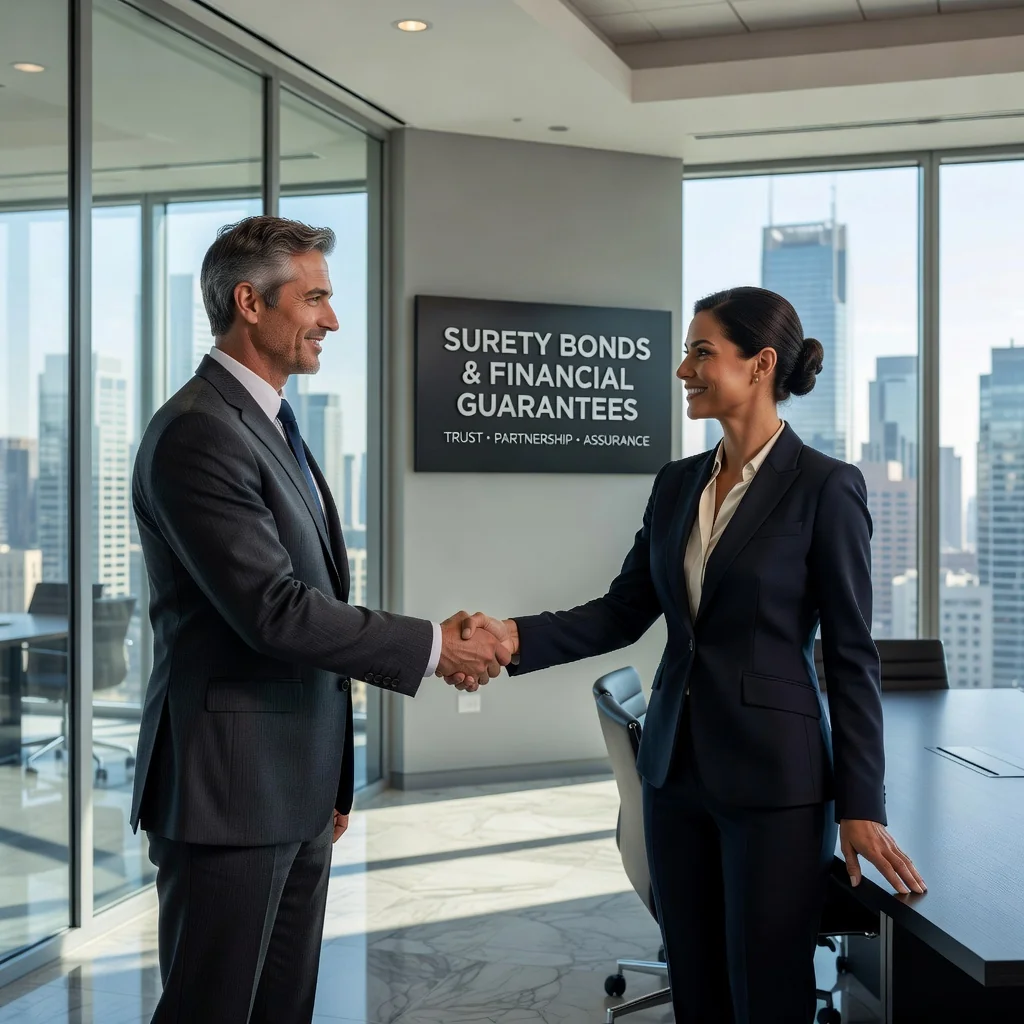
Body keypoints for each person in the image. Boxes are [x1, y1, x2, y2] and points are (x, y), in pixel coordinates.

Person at [451, 286, 926, 1023]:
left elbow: (853, 655)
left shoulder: (827, 488)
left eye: (702, 351)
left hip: (776, 783)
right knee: (698, 989)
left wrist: (862, 804)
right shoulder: (677, 484)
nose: (683, 369)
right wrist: (511, 638)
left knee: (767, 993)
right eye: (687, 352)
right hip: (674, 776)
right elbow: (624, 609)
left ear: (760, 364)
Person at [130, 215, 506, 1024]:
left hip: (289, 787)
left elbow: (310, 599)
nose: (332, 319)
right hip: (228, 795)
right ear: (249, 303)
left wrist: (328, 780)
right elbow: (275, 611)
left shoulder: (269, 423)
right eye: (317, 298)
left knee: (281, 1010)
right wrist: (436, 646)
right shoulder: (199, 433)